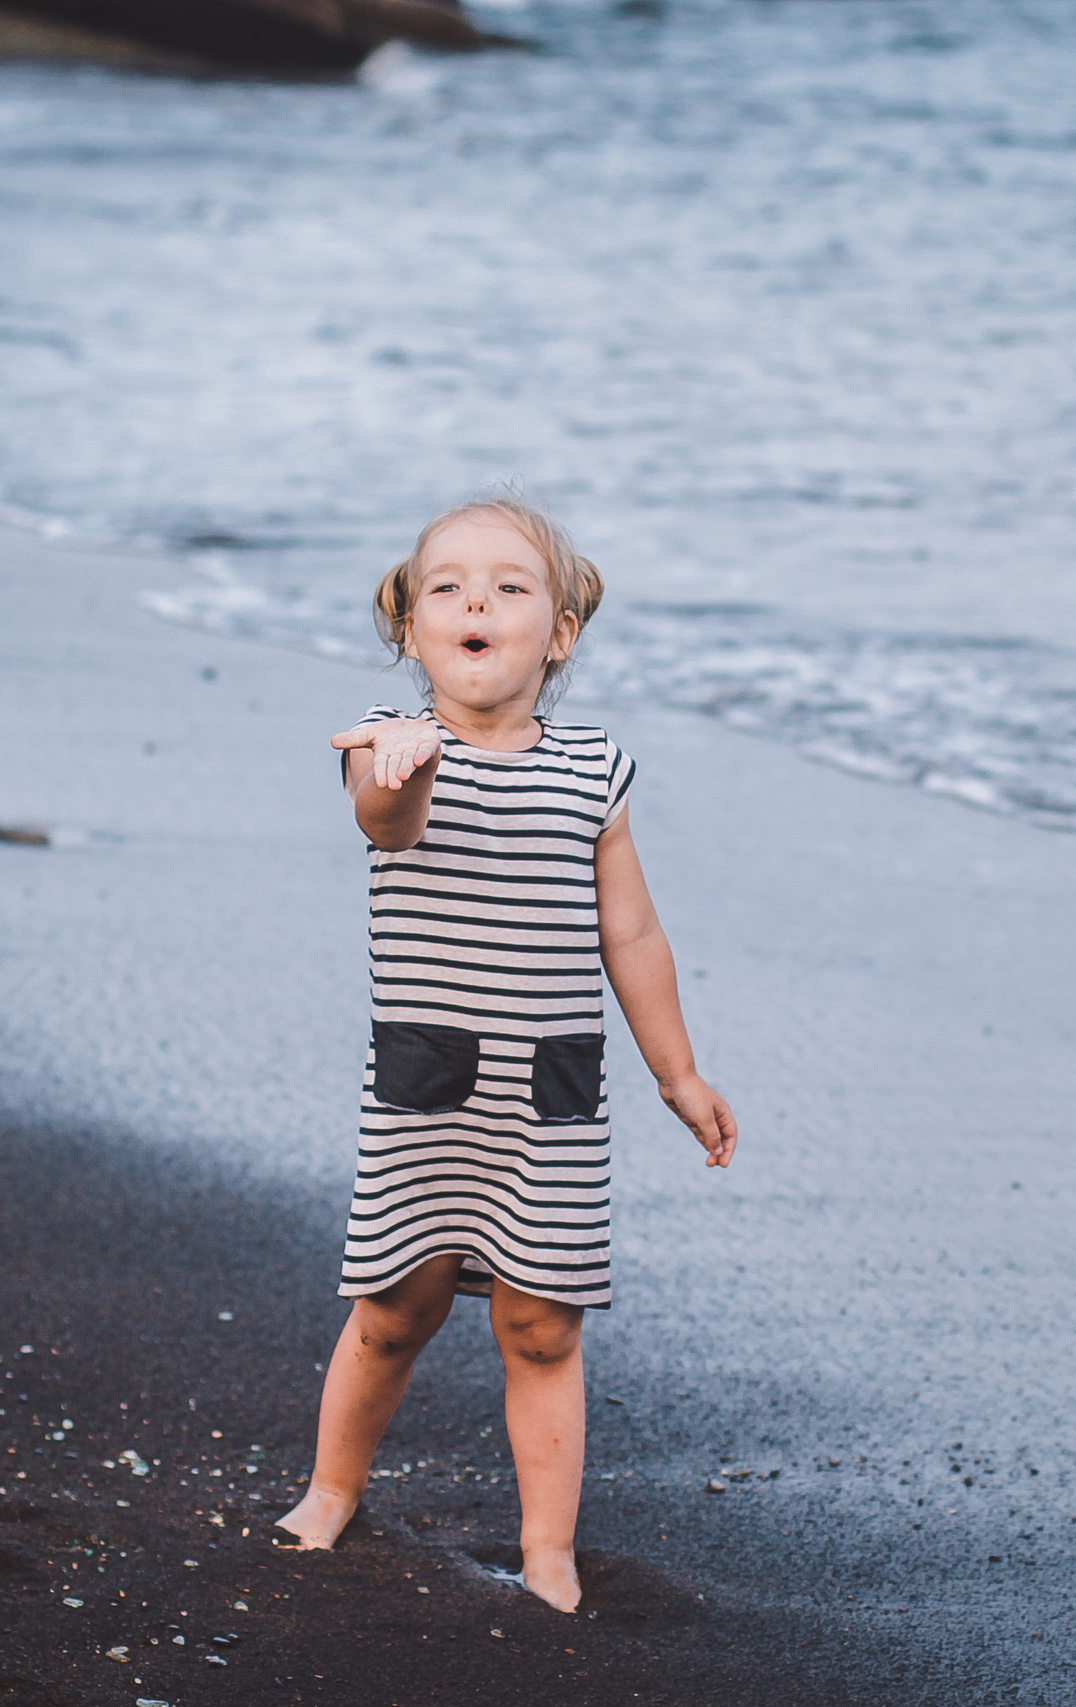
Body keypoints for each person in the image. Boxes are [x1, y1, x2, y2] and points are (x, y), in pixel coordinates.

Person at [273, 497, 737, 1614]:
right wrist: (402, 762)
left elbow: (630, 932)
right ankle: (333, 1488)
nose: (475, 599)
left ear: (560, 633)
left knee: (540, 1325)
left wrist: (679, 1072)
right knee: (394, 1306)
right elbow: (388, 824)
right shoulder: (384, 748)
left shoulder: (595, 772)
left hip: (551, 1101)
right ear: (410, 628)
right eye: (447, 586)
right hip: (428, 1093)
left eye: (509, 585)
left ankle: (546, 1547)